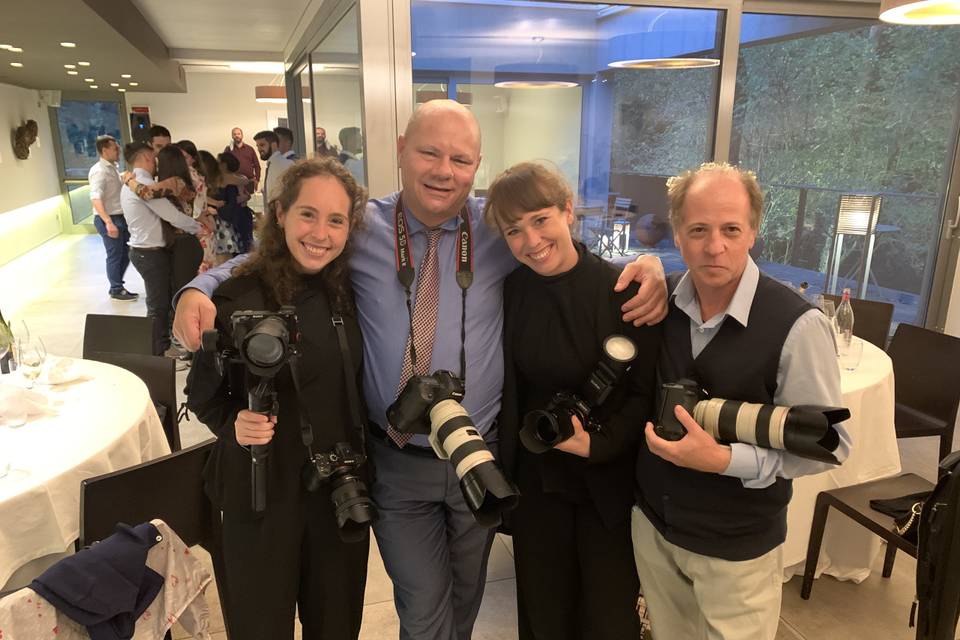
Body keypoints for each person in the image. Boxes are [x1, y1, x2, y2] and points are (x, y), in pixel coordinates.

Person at [173, 100, 668, 640]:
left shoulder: (498, 229)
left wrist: (650, 265)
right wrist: (199, 286)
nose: (443, 170)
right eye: (430, 152)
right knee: (424, 611)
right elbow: (279, 253)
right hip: (395, 459)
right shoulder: (360, 227)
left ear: (476, 166)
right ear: (402, 150)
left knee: (464, 604)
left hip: (478, 453)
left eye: (460, 159)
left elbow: (560, 254)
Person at [631, 162, 853, 640]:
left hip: (737, 548)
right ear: (676, 232)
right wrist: (648, 264)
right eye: (698, 229)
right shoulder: (660, 301)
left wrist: (728, 460)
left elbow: (831, 446)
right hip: (654, 527)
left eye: (731, 228)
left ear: (753, 230)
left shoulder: (798, 325)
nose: (714, 246)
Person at [186, 157, 370, 640]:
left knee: (337, 625)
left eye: (336, 220)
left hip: (337, 488)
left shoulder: (354, 293)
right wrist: (233, 424)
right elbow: (202, 396)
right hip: (259, 491)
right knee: (260, 626)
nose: (321, 233)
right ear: (281, 213)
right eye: (308, 214)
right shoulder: (236, 296)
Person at [485, 162, 660, 640]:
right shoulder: (510, 292)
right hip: (537, 483)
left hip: (606, 484)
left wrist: (596, 446)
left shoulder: (623, 291)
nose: (531, 241)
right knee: (544, 616)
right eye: (513, 231)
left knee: (608, 618)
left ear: (568, 211)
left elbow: (646, 391)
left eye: (540, 219)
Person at [121, 142, 205, 356]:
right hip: (152, 252)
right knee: (160, 304)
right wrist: (199, 227)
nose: (156, 163)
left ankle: (172, 346)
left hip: (170, 247)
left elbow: (147, 194)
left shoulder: (163, 183)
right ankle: (160, 351)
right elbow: (170, 214)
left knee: (172, 299)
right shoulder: (146, 182)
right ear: (148, 158)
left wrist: (129, 180)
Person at [88, 135, 137, 301]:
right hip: (109, 218)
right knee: (115, 254)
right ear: (105, 150)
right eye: (115, 148)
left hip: (120, 217)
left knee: (126, 252)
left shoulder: (113, 168)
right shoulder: (99, 171)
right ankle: (116, 288)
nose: (119, 151)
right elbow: (95, 198)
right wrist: (108, 222)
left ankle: (118, 285)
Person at [254, 130, 294, 205]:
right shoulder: (271, 164)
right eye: (257, 146)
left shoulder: (286, 164)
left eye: (262, 145)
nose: (259, 149)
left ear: (274, 145)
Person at [225, 127, 261, 193]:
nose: (237, 136)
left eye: (238, 134)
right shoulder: (228, 149)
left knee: (250, 202)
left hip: (249, 182)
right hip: (234, 183)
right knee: (235, 202)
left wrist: (257, 180)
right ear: (232, 136)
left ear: (242, 135)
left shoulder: (250, 149)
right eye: (234, 134)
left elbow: (257, 165)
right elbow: (223, 165)